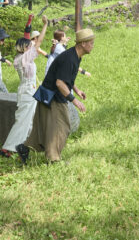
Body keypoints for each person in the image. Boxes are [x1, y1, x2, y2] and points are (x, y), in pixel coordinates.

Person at [15, 28, 95, 164]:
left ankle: (24, 148)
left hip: (50, 94)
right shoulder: (69, 58)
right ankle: (53, 159)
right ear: (83, 43)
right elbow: (60, 83)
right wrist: (75, 101)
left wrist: (77, 90)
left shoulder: (76, 56)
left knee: (43, 128)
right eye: (91, 43)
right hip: (53, 96)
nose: (93, 46)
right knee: (61, 127)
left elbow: (67, 77)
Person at [0, 16, 49, 157]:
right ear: (24, 48)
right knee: (22, 121)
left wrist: (29, 23)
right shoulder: (25, 57)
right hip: (28, 91)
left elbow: (29, 41)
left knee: (29, 120)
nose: (31, 46)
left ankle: (26, 146)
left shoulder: (18, 58)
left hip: (26, 89)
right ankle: (7, 148)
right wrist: (45, 25)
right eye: (28, 46)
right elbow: (39, 42)